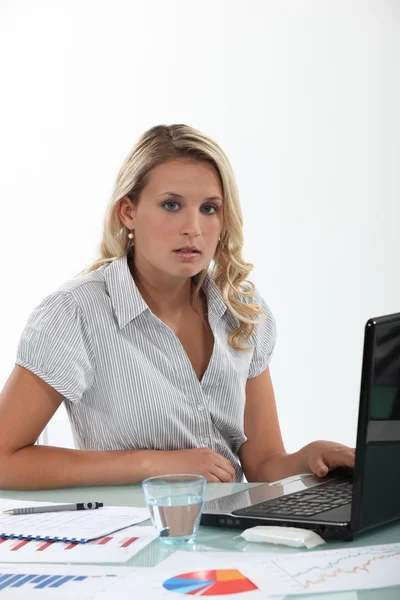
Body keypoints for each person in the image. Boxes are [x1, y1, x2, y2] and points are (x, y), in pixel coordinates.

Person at [0, 124, 355, 490]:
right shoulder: (75, 313)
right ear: (128, 212)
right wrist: (155, 463)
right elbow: (4, 460)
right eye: (172, 205)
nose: (193, 228)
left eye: (209, 208)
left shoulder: (242, 311)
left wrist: (310, 457)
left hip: (230, 538)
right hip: (132, 537)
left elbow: (262, 464)